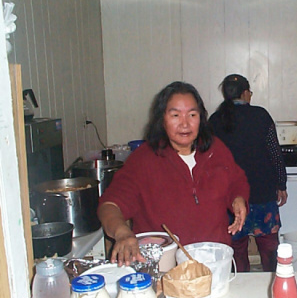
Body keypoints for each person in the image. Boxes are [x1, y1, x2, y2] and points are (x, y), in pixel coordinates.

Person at [98, 81, 250, 266]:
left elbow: (236, 179)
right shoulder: (143, 160)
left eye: (192, 115)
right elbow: (110, 205)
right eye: (175, 115)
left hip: (213, 261)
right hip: (165, 268)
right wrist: (122, 233)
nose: (185, 123)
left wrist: (238, 198)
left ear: (201, 118)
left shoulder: (215, 149)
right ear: (162, 119)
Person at [209, 74, 287, 272]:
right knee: (269, 245)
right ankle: (273, 281)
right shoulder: (261, 115)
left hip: (230, 197)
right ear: (245, 93)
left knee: (236, 247)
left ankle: (241, 283)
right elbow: (275, 153)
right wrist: (281, 184)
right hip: (262, 192)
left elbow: (210, 159)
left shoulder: (215, 120)